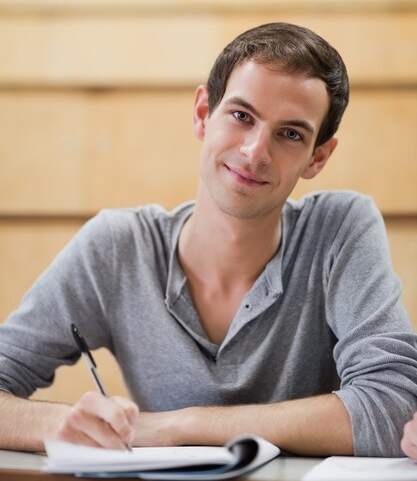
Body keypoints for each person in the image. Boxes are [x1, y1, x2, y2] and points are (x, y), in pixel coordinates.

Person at [0, 23, 416, 457]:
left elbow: (392, 407)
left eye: (290, 134)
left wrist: (182, 425)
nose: (256, 152)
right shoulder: (117, 247)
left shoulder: (339, 228)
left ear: (318, 157)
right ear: (203, 113)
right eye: (241, 116)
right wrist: (64, 425)